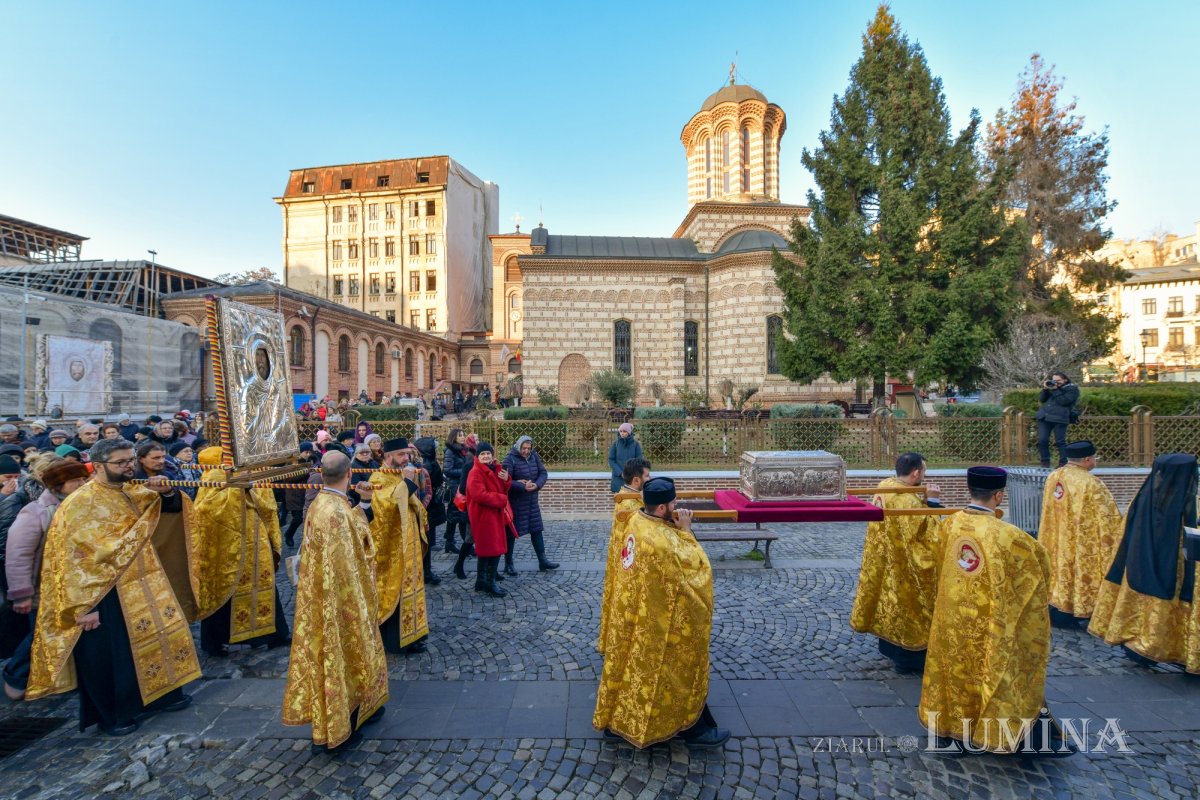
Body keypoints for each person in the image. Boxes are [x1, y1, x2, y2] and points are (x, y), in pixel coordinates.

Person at [26, 438, 200, 736]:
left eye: (130, 460)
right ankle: (117, 715)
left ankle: (161, 696)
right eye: (121, 463)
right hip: (103, 592)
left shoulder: (133, 490)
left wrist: (169, 491)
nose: (129, 467)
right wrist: (84, 608)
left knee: (157, 640)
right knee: (113, 656)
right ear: (98, 466)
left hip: (146, 582)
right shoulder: (79, 504)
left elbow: (170, 510)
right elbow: (69, 561)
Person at [918, 466, 1073, 757]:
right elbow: (1037, 580)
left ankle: (954, 726)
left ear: (970, 490)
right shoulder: (1011, 538)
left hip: (952, 620)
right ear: (999, 495)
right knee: (994, 670)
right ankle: (993, 731)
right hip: (992, 623)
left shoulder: (948, 525)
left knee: (956, 670)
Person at [593, 477, 728, 749]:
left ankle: (617, 722)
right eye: (673, 503)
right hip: (659, 623)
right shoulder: (664, 543)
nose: (677, 506)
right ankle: (693, 729)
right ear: (664, 508)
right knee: (674, 672)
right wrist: (687, 531)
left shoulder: (636, 521)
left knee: (629, 668)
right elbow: (697, 573)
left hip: (632, 615)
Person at [283, 451, 388, 753]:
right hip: (341, 602)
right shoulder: (337, 513)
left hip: (324, 598)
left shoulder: (321, 504)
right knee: (344, 657)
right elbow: (359, 554)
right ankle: (339, 728)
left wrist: (364, 504)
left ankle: (356, 711)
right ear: (350, 475)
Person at [1089, 453, 1200, 672]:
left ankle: (1141, 644)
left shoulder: (1142, 499)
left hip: (1141, 571)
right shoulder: (1189, 505)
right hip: (1179, 574)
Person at [850, 452, 944, 673]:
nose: (924, 476)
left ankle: (892, 652)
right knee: (910, 608)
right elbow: (933, 537)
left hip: (886, 562)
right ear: (915, 473)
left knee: (891, 604)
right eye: (924, 472)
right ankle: (909, 662)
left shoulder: (885, 486)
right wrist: (932, 502)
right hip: (908, 568)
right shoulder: (908, 501)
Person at [4, 458, 90, 699]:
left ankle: (62, 678)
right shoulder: (36, 512)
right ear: (58, 485)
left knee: (69, 632)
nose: (82, 484)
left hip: (75, 587)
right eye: (75, 481)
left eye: (84, 479)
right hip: (42, 589)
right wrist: (21, 594)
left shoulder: (83, 506)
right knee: (39, 635)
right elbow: (18, 556)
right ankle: (16, 675)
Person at [193, 447, 289, 657]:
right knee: (225, 590)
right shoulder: (213, 476)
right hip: (226, 546)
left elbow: (266, 502)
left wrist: (249, 487)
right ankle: (219, 640)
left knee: (263, 584)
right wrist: (238, 489)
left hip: (255, 538)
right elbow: (205, 510)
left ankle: (268, 634)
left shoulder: (241, 472)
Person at [1037, 441, 1125, 629]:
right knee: (1078, 573)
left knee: (1060, 572)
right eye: (1095, 458)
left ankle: (1057, 609)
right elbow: (1109, 519)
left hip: (1057, 538)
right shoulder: (1092, 483)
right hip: (1082, 543)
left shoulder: (1054, 476)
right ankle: (1078, 609)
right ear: (1087, 459)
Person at [369, 439, 430, 654]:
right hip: (393, 548)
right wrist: (408, 483)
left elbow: (412, 504)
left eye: (407, 454)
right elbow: (386, 509)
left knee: (411, 590)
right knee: (395, 592)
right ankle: (396, 642)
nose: (407, 459)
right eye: (402, 455)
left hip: (409, 544)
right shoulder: (378, 478)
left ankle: (413, 635)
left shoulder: (399, 476)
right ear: (388, 457)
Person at [598, 457, 651, 655]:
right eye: (647, 476)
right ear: (636, 481)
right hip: (629, 564)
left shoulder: (630, 497)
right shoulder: (629, 505)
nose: (650, 478)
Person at [503, 435, 556, 573]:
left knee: (536, 530)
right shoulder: (510, 459)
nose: (526, 451)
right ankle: (508, 563)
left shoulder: (534, 457)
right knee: (511, 533)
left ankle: (542, 561)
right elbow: (505, 481)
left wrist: (537, 484)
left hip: (532, 501)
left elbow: (543, 473)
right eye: (524, 448)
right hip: (516, 503)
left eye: (528, 448)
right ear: (518, 446)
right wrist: (521, 486)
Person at [466, 442, 512, 597]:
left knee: (489, 550)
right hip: (483, 516)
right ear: (478, 456)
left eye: (488, 453)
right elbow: (480, 495)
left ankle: (481, 581)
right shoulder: (476, 472)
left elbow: (502, 486)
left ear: (492, 455)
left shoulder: (494, 468)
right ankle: (489, 583)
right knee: (491, 549)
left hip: (493, 515)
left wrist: (507, 480)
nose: (486, 456)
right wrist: (501, 499)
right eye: (483, 454)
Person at [413, 437, 447, 583]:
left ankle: (425, 571)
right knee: (424, 539)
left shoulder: (426, 463)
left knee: (426, 536)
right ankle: (425, 572)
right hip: (428, 505)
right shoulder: (426, 465)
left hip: (430, 505)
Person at [1035, 372, 1079, 468]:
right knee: (1042, 440)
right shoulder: (1052, 387)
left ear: (1065, 380)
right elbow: (1042, 399)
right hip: (1044, 417)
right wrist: (1045, 389)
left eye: (1058, 381)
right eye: (1054, 381)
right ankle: (1045, 462)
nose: (1056, 383)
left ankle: (1063, 463)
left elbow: (1064, 401)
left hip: (1060, 418)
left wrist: (1055, 390)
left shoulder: (1072, 389)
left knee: (1060, 441)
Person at [442, 429, 469, 555]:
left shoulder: (462, 451)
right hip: (454, 487)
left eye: (463, 435)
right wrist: (464, 472)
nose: (463, 437)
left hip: (461, 486)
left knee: (457, 515)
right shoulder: (450, 451)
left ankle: (450, 542)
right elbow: (447, 470)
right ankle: (461, 543)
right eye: (460, 435)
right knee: (457, 515)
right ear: (454, 437)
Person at [607, 423, 644, 494]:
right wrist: (620, 473)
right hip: (618, 479)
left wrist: (631, 473)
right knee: (619, 501)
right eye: (620, 431)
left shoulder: (636, 444)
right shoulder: (616, 444)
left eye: (624, 431)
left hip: (632, 478)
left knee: (632, 501)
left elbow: (639, 461)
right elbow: (611, 460)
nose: (622, 433)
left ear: (629, 432)